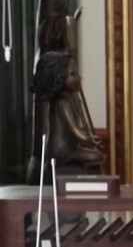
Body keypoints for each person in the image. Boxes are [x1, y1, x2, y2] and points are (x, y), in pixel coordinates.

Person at [28, 50, 105, 183]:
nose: (78, 78)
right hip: (64, 151)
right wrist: (89, 138)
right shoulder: (63, 104)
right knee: (98, 156)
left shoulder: (62, 102)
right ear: (60, 78)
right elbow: (75, 129)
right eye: (73, 74)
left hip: (64, 149)